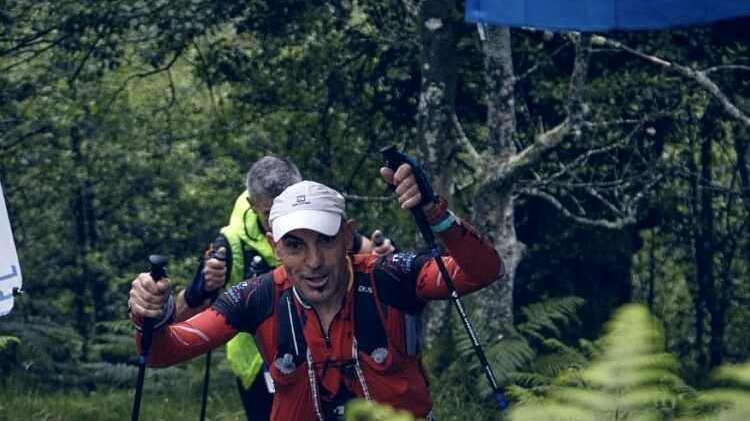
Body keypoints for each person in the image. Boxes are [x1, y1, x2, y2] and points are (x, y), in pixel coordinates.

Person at [128, 163, 504, 420]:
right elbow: (162, 352)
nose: (313, 262)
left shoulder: (389, 276)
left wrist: (434, 212)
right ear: (275, 246)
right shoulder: (256, 297)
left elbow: (484, 270)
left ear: (346, 234)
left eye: (324, 240)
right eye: (295, 245)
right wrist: (150, 312)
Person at [160, 155, 394, 421]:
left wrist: (385, 253)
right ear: (251, 204)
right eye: (269, 214)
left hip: (320, 351)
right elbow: (180, 320)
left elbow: (367, 252)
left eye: (286, 208)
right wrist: (197, 291)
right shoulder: (230, 242)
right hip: (256, 364)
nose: (279, 220)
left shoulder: (315, 224)